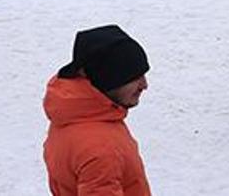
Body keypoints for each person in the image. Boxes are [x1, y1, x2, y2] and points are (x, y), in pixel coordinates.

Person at [43, 25, 151, 196]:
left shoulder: (72, 114)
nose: (145, 85)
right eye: (134, 77)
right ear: (108, 79)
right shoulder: (101, 148)